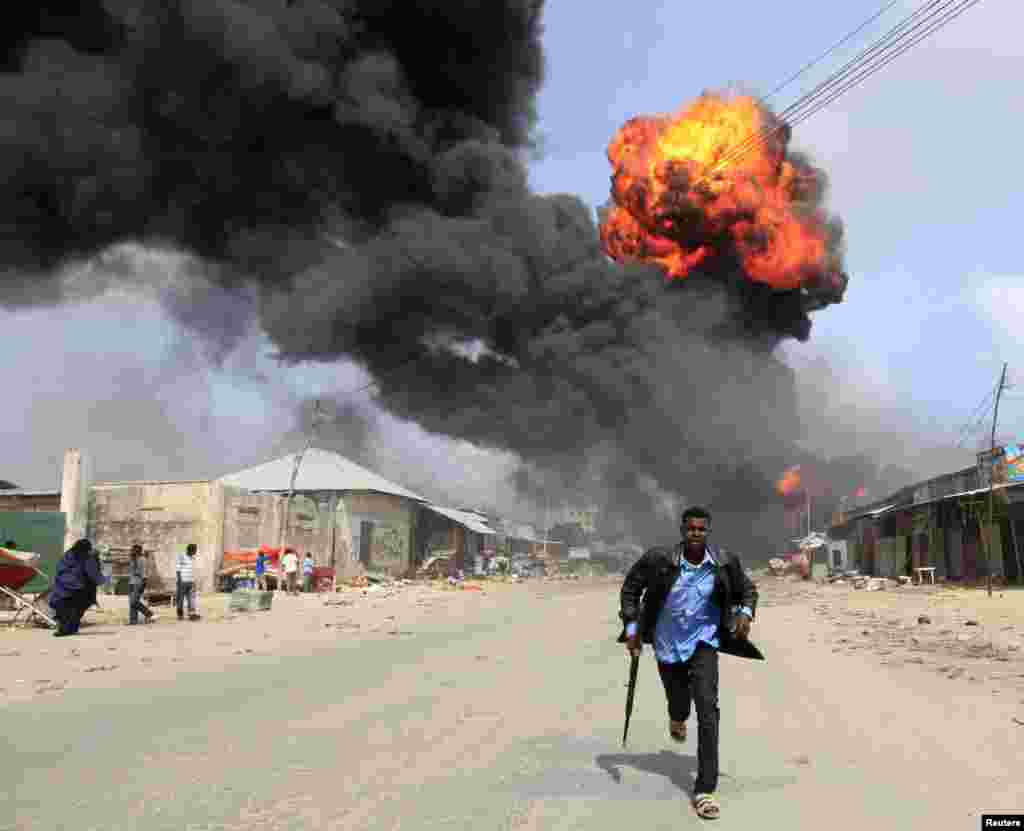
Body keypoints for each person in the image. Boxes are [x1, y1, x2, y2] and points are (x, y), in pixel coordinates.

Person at [618, 506, 761, 821]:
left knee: (708, 709)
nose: (696, 533)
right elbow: (630, 590)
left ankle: (704, 790)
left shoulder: (724, 561)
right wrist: (632, 629)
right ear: (682, 531)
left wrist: (745, 614)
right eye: (691, 528)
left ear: (708, 532)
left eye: (702, 529)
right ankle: (677, 716)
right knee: (678, 701)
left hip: (703, 642)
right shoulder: (659, 560)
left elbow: (747, 590)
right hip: (667, 643)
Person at [49, 539, 108, 637]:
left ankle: (66, 629)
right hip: (76, 588)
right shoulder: (86, 557)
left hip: (66, 588)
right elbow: (93, 573)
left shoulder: (68, 555)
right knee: (75, 609)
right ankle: (68, 629)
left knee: (67, 610)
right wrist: (100, 580)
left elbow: (60, 570)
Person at [127, 544, 156, 625]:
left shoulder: (142, 560)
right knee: (131, 603)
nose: (132, 551)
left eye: (134, 550)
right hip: (131, 582)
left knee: (134, 601)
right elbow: (131, 572)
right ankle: (133, 620)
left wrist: (143, 584)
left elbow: (144, 574)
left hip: (139, 583)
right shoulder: (132, 559)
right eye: (132, 549)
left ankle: (149, 613)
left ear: (138, 551)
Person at [175, 543, 201, 621]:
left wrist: (194, 580)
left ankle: (192, 614)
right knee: (180, 599)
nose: (195, 552)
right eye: (195, 551)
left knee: (191, 598)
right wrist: (179, 580)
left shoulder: (193, 558)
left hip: (191, 581)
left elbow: (192, 569)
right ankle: (180, 614)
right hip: (183, 581)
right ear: (190, 550)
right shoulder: (182, 556)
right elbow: (178, 569)